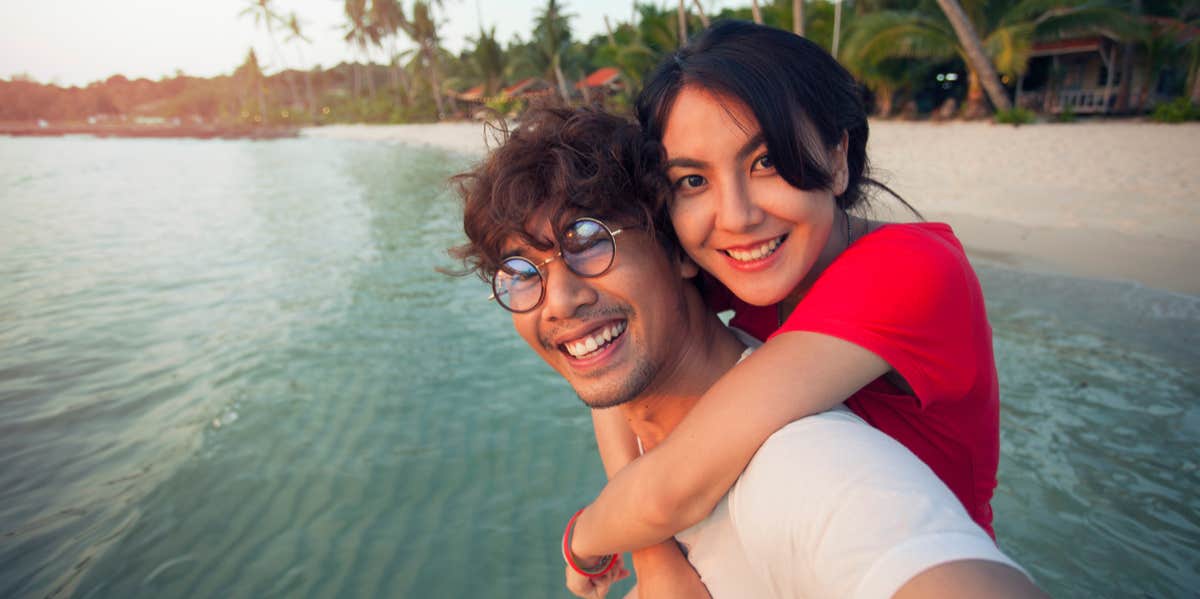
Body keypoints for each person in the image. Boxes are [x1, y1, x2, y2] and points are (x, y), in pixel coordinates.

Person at [449, 107, 1045, 598]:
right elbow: (613, 383)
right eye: (521, 272)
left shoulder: (805, 462)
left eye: (588, 243)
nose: (557, 302)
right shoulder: (731, 316)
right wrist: (652, 556)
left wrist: (585, 538)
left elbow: (897, 542)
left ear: (681, 253)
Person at [567, 20, 1005, 570]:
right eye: (693, 181)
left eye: (767, 161)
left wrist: (583, 543)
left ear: (839, 157)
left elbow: (672, 489)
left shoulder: (911, 271)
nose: (738, 217)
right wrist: (655, 560)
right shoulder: (742, 266)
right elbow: (619, 353)